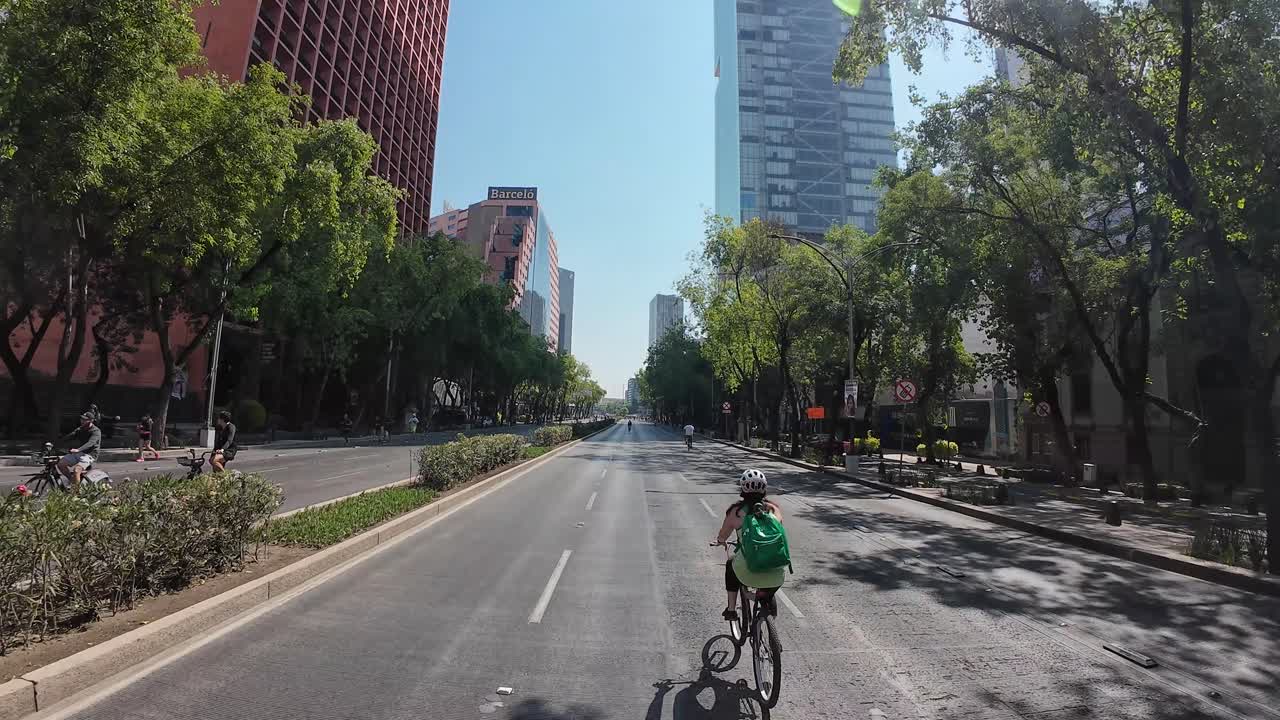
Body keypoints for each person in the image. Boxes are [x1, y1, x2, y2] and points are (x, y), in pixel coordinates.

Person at [712, 469, 784, 621]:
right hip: (776, 573)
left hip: (747, 572)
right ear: (764, 489)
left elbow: (723, 535)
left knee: (731, 563)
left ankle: (731, 610)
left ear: (742, 488)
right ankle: (764, 600)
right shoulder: (774, 510)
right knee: (768, 587)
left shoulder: (735, 512)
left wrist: (720, 541)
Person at [57, 413, 102, 491]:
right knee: (61, 464)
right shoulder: (80, 429)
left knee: (76, 470)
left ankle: (76, 493)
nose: (82, 421)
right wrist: (55, 443)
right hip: (79, 453)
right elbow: (70, 436)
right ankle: (72, 481)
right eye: (82, 419)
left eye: (85, 420)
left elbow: (91, 443)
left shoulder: (96, 431)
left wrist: (79, 449)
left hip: (90, 454)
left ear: (91, 421)